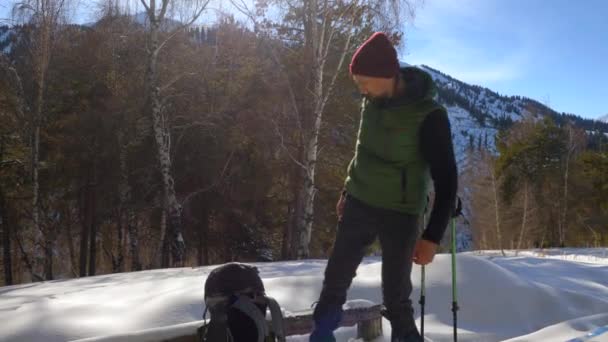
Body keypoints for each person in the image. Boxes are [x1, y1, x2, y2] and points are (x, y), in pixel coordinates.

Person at [309, 32, 458, 342]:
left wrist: (431, 237)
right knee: (335, 279)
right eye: (358, 82)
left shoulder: (429, 115)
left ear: (387, 75)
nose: (361, 89)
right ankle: (320, 336)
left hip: (400, 211)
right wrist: (346, 191)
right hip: (360, 201)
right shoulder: (371, 101)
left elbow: (447, 179)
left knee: (396, 295)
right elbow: (361, 151)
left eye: (365, 81)